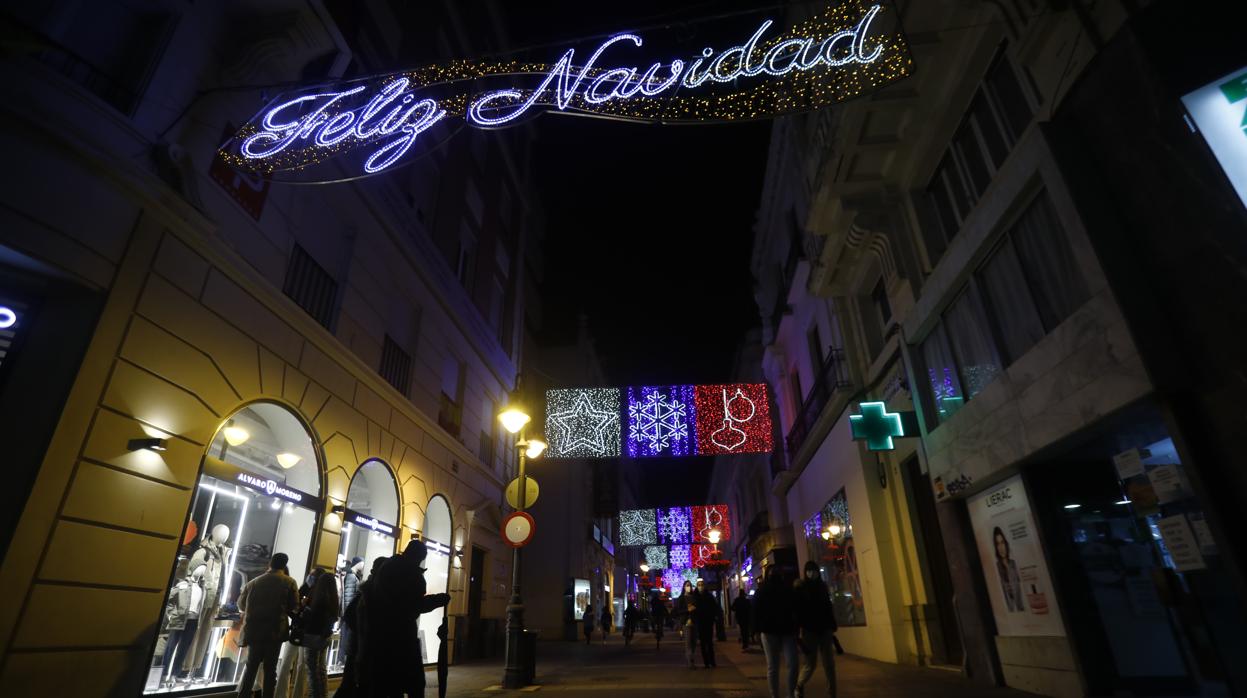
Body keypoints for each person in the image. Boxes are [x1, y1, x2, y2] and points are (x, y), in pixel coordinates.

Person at [364, 540, 451, 697]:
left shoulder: (389, 567)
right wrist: (438, 600)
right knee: (415, 685)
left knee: (389, 686)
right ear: (418, 557)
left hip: (381, 635)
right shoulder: (409, 573)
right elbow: (414, 604)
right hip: (402, 637)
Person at [236, 553, 299, 698]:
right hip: (275, 632)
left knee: (251, 668)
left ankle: (243, 695)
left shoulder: (254, 582)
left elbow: (241, 605)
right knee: (270, 670)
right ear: (284, 565)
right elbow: (294, 606)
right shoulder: (289, 582)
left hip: (254, 631)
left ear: (270, 563)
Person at [334, 557, 387, 698]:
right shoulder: (372, 590)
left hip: (358, 646)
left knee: (350, 685)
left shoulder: (367, 588)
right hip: (363, 648)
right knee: (356, 686)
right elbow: (349, 609)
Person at [794, 561, 838, 698]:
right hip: (810, 631)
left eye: (813, 570)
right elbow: (798, 611)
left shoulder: (822, 587)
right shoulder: (801, 588)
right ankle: (799, 685)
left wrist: (832, 623)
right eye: (809, 570)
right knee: (810, 664)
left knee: (829, 664)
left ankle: (832, 693)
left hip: (824, 629)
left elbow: (828, 606)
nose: (811, 573)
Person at [754, 566, 799, 698]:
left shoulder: (784, 589)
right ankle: (778, 695)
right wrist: (756, 630)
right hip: (772, 631)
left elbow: (795, 608)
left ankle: (788, 694)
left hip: (784, 630)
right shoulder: (764, 591)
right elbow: (756, 611)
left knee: (785, 665)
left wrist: (756, 631)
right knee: (775, 666)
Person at [301, 570, 340, 698]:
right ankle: (323, 694)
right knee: (321, 669)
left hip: (313, 636)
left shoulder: (320, 599)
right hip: (325, 637)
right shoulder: (334, 599)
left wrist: (305, 607)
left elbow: (312, 618)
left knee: (312, 670)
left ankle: (315, 695)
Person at [993, 527, 1025, 612]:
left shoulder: (1013, 564)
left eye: (1002, 542)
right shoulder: (997, 567)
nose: (1001, 547)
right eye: (997, 544)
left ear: (1006, 544)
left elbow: (1020, 588)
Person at [692, 580, 717, 668]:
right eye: (699, 585)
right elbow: (693, 610)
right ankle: (706, 662)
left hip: (708, 621)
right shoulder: (694, 597)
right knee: (703, 643)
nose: (701, 586)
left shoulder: (709, 596)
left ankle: (712, 661)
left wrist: (713, 617)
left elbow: (714, 607)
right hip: (700, 622)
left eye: (702, 585)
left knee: (709, 642)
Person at [673, 581, 698, 668]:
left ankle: (690, 658)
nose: (689, 587)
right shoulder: (681, 598)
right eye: (687, 585)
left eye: (690, 585)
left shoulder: (694, 597)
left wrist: (695, 609)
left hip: (694, 622)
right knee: (688, 642)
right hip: (686, 622)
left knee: (694, 642)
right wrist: (688, 610)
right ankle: (690, 662)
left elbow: (697, 608)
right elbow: (678, 611)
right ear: (684, 587)